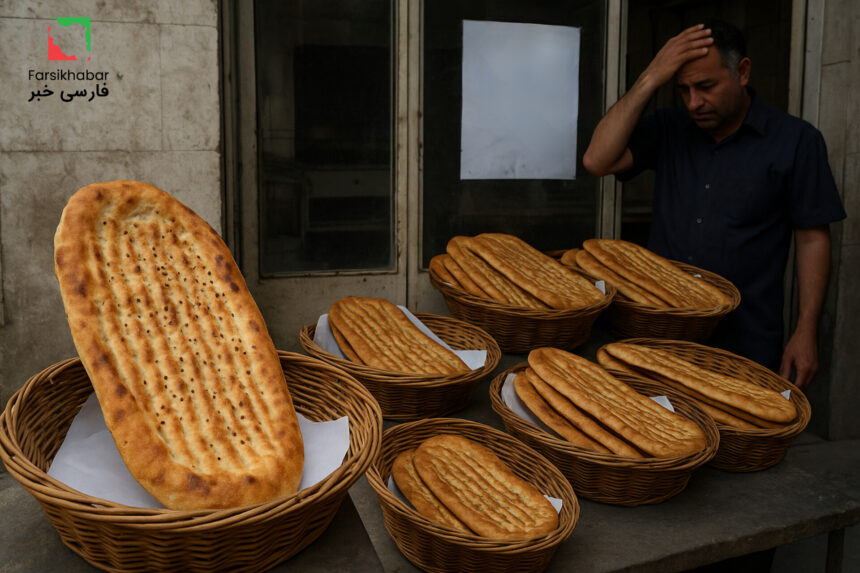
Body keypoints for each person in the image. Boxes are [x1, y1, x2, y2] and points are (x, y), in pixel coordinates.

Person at [582, 19, 846, 389]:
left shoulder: (796, 141)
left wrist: (806, 331)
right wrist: (650, 77)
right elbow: (597, 160)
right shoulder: (670, 129)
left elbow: (812, 239)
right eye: (683, 89)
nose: (694, 102)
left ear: (742, 72)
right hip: (663, 335)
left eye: (706, 87)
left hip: (746, 341)